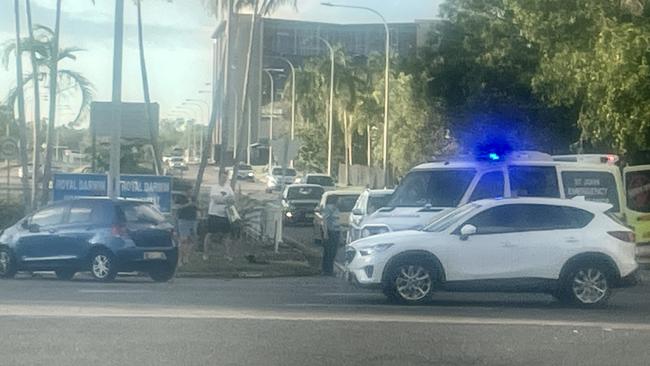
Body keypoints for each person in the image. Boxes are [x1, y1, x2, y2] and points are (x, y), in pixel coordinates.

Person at [205, 169, 235, 260]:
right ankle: (206, 253)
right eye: (222, 177)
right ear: (219, 177)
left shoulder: (228, 188)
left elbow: (233, 200)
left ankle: (227, 254)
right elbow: (216, 200)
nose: (224, 179)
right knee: (210, 234)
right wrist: (226, 199)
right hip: (214, 214)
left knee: (227, 235)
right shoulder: (214, 188)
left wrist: (224, 199)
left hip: (225, 215)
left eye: (226, 177)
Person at [176, 189, 198, 267]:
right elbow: (178, 207)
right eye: (189, 191)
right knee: (183, 240)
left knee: (191, 240)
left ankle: (186, 257)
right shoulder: (180, 197)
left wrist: (195, 205)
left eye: (192, 191)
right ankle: (179, 259)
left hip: (193, 220)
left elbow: (196, 207)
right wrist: (188, 204)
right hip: (183, 220)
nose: (191, 192)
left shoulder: (193, 198)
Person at [321, 197, 341, 276]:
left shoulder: (336, 209)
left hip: (335, 231)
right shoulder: (329, 209)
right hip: (331, 232)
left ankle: (328, 269)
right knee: (329, 252)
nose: (340, 201)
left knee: (332, 252)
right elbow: (325, 221)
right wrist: (325, 233)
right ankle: (327, 270)